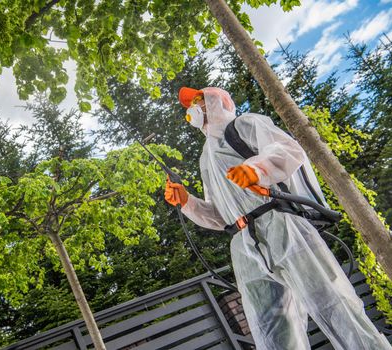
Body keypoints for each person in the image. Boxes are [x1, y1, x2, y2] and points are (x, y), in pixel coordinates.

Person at [164, 86, 391, 350]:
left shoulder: (244, 124)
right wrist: (188, 203)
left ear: (220, 100)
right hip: (243, 245)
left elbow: (288, 150)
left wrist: (257, 170)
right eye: (192, 104)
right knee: (271, 329)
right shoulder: (206, 159)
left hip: (282, 225)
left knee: (335, 305)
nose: (194, 107)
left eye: (200, 99)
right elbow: (220, 215)